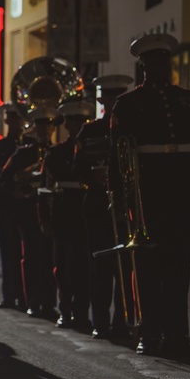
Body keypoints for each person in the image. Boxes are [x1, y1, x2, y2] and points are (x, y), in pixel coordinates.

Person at [110, 33, 190, 357]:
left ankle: (176, 334)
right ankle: (149, 331)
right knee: (148, 264)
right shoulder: (127, 103)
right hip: (149, 192)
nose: (159, 65)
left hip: (184, 189)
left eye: (164, 60)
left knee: (179, 266)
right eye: (152, 60)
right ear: (142, 64)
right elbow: (118, 156)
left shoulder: (189, 99)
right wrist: (118, 195)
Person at [73, 75, 133, 338]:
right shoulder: (90, 131)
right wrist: (93, 178)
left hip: (125, 204)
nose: (114, 103)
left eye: (119, 97)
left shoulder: (132, 130)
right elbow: (77, 169)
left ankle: (123, 322)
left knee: (125, 270)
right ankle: (100, 321)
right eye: (110, 98)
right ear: (102, 100)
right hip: (98, 204)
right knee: (101, 267)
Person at [39, 100, 95, 331]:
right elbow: (44, 189)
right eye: (72, 121)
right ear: (67, 124)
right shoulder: (56, 152)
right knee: (62, 267)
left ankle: (81, 311)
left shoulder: (91, 150)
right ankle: (66, 310)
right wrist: (44, 218)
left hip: (86, 212)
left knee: (84, 266)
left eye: (80, 121)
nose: (77, 125)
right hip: (62, 213)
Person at [0, 105, 58, 319]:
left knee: (50, 259)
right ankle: (31, 300)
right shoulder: (23, 153)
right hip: (27, 211)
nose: (45, 130)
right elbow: (4, 178)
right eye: (41, 125)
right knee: (31, 256)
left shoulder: (56, 151)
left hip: (50, 212)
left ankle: (49, 302)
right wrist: (15, 191)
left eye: (48, 125)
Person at [0, 104, 29, 310]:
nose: (16, 122)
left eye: (19, 118)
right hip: (5, 205)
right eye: (13, 118)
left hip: (28, 204)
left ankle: (27, 296)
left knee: (30, 253)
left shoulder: (31, 147)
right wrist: (10, 190)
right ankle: (10, 295)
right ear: (8, 120)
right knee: (9, 252)